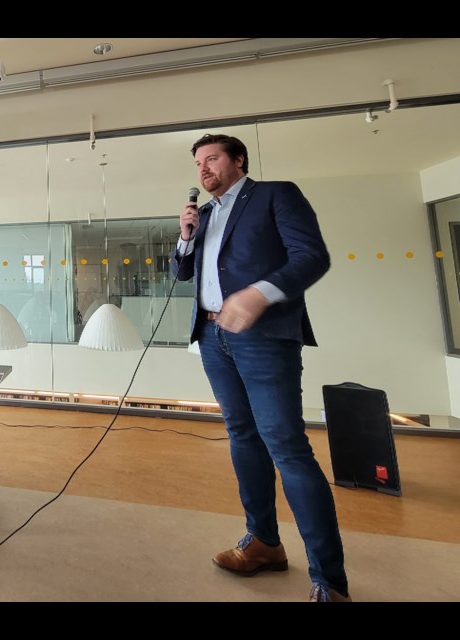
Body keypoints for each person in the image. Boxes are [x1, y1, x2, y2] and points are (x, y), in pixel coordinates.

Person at [173, 133, 350, 602]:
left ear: (239, 160)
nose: (203, 170)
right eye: (198, 164)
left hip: (263, 337)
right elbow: (182, 274)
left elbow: (312, 257)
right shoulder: (205, 214)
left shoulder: (276, 194)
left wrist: (260, 293)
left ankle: (329, 581)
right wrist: (185, 238)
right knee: (242, 436)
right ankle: (264, 543)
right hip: (212, 336)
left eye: (211, 159)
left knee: (287, 447)